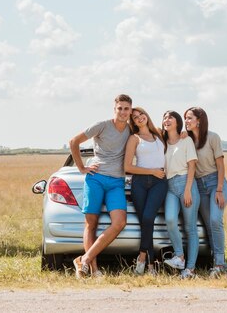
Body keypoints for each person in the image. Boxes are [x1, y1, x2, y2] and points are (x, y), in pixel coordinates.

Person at [69, 94, 132, 278]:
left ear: (130, 110)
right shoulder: (102, 125)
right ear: (114, 109)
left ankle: (85, 259)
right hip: (95, 178)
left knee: (120, 222)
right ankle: (93, 270)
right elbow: (74, 142)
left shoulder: (130, 130)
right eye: (119, 108)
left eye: (126, 108)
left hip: (116, 182)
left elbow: (152, 132)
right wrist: (82, 168)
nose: (122, 112)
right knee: (91, 223)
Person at [184, 106, 227, 277]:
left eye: (189, 118)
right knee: (209, 225)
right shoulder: (186, 139)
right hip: (198, 186)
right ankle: (216, 262)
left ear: (199, 120)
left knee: (216, 220)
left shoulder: (212, 137)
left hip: (215, 183)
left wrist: (219, 190)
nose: (186, 121)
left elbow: (220, 165)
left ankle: (220, 264)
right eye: (186, 118)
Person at [124, 107, 167, 275]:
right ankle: (150, 266)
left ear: (146, 115)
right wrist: (151, 171)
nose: (139, 118)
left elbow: (176, 136)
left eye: (141, 114)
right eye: (135, 117)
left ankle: (141, 257)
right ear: (133, 122)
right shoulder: (134, 139)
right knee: (145, 222)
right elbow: (127, 167)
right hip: (140, 182)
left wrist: (184, 134)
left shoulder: (159, 135)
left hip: (159, 182)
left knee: (148, 218)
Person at [162, 110, 200, 279]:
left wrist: (187, 190)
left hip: (187, 184)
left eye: (170, 117)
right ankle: (179, 256)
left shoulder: (186, 140)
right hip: (170, 186)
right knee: (170, 219)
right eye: (164, 117)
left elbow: (192, 166)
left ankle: (190, 269)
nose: (166, 120)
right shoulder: (162, 142)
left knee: (190, 228)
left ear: (177, 122)